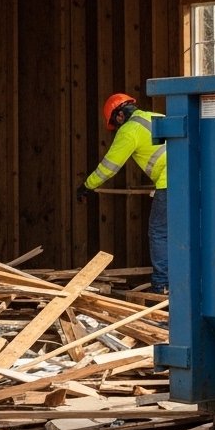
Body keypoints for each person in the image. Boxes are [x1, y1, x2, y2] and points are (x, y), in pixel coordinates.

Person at [78, 93, 168, 294]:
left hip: (168, 182)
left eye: (115, 123)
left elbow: (109, 167)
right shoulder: (157, 116)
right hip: (189, 179)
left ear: (119, 116)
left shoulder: (129, 130)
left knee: (159, 233)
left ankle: (162, 285)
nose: (117, 127)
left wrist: (87, 185)